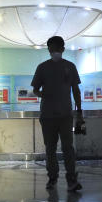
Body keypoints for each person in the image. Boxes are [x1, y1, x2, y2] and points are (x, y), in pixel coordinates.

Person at [31, 36, 85, 192]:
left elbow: (76, 90)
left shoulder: (70, 67)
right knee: (50, 148)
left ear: (62, 49)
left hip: (65, 115)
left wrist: (79, 111)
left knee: (68, 147)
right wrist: (43, 95)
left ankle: (71, 179)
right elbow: (35, 89)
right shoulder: (42, 68)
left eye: (56, 48)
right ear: (48, 50)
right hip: (48, 116)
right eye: (51, 48)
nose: (53, 51)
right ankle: (52, 177)